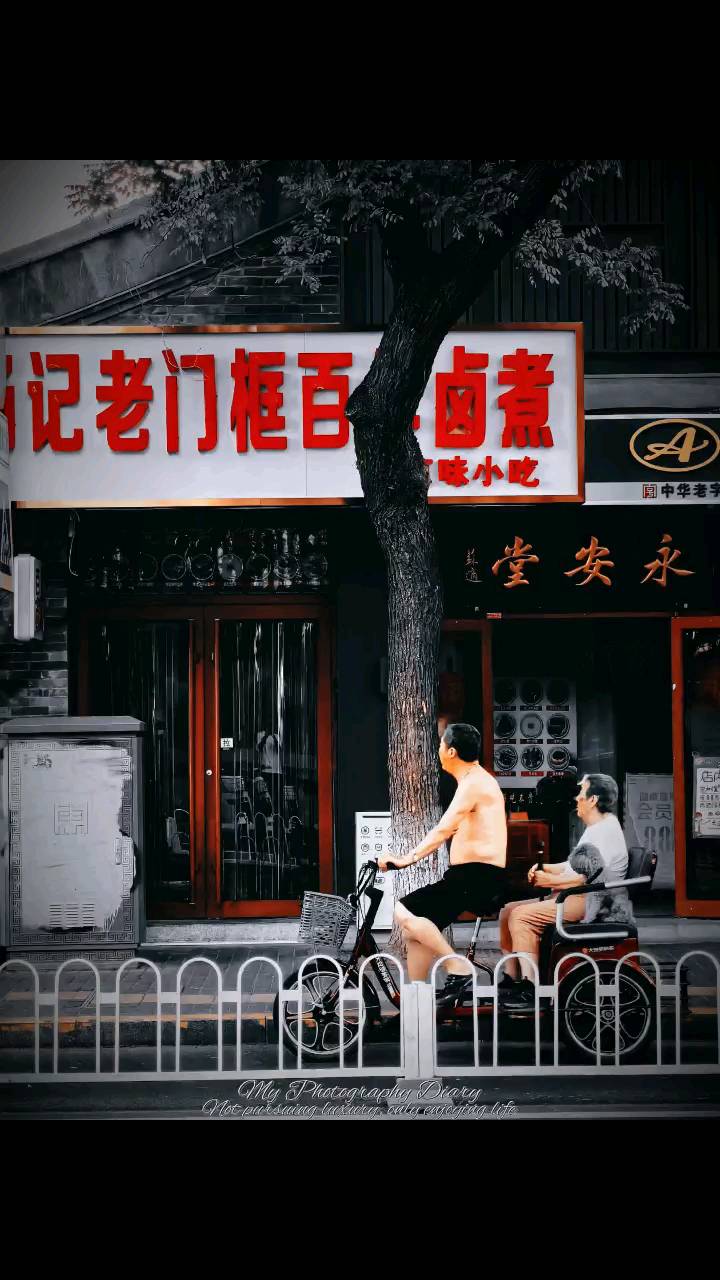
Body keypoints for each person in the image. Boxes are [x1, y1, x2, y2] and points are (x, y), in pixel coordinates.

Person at [378, 722, 507, 993]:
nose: (438, 750)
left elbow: (443, 828)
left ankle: (458, 967)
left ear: (451, 752)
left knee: (403, 911)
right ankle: (416, 999)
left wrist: (405, 859)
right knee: (415, 932)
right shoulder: (476, 780)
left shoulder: (474, 783)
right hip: (469, 875)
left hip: (476, 875)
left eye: (440, 745)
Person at [499, 772, 629, 1008]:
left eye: (581, 792)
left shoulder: (606, 831)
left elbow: (585, 879)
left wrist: (549, 880)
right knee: (507, 911)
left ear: (593, 799)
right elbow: (572, 866)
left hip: (592, 901)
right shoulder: (597, 828)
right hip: (580, 896)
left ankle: (531, 988)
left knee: (521, 916)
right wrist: (544, 868)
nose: (576, 798)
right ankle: (512, 978)